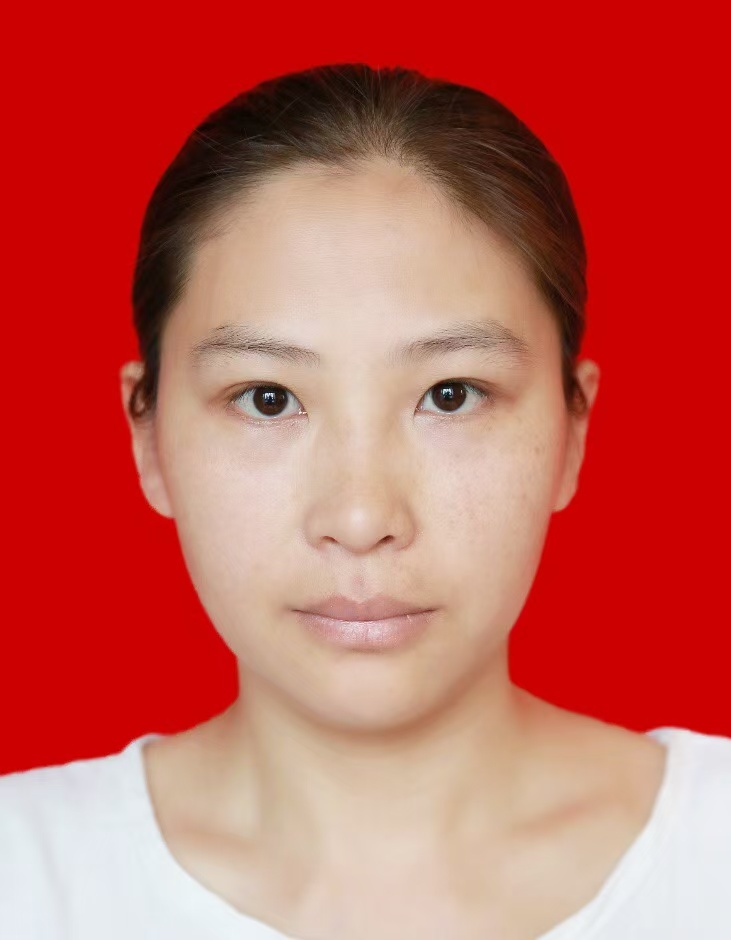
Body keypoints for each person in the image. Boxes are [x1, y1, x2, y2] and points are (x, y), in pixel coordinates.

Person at [1, 63, 729, 940]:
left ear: (572, 429)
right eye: (267, 398)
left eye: (451, 395)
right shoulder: (24, 875)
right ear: (148, 437)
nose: (359, 518)